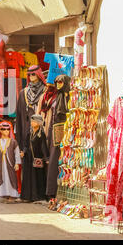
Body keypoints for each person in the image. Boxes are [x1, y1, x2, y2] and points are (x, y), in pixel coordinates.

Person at [46, 74, 71, 202]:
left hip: (67, 133)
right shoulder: (56, 98)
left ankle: (63, 193)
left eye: (61, 82)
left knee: (65, 161)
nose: (58, 84)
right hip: (56, 133)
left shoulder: (69, 97)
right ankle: (52, 192)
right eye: (57, 82)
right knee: (54, 161)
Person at [19, 114, 49, 203]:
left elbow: (44, 146)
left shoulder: (41, 134)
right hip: (28, 159)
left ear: (39, 123)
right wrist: (23, 152)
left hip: (38, 159)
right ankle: (28, 197)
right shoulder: (29, 133)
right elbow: (25, 145)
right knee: (28, 177)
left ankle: (37, 197)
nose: (32, 123)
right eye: (32, 121)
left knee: (37, 177)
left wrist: (46, 158)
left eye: (34, 121)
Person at [0, 122, 21, 203]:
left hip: (10, 164)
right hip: (1, 164)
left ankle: (12, 195)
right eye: (3, 129)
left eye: (8, 129)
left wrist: (17, 163)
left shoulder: (13, 142)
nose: (6, 131)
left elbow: (17, 153)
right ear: (0, 130)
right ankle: (5, 194)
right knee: (2, 177)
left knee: (11, 178)